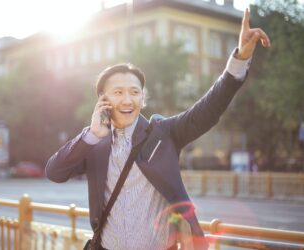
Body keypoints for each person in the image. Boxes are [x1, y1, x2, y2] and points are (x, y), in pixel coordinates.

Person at [45, 8, 270, 250]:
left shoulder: (164, 133)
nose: (127, 100)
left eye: (134, 92)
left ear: (143, 98)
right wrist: (91, 134)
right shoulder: (94, 144)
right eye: (118, 92)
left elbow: (208, 110)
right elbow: (54, 172)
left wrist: (238, 62)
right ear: (103, 99)